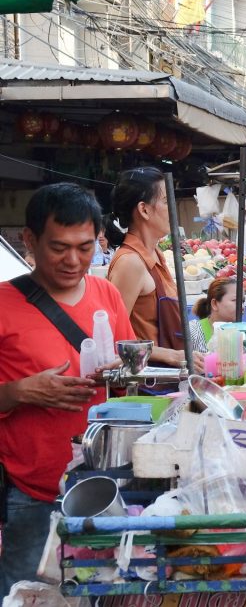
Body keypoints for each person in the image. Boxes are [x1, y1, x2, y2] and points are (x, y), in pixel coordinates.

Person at [0, 183, 134, 594]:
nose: (73, 260)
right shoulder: (4, 303)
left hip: (106, 485)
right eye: (59, 247)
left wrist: (121, 373)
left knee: (102, 593)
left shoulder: (106, 293)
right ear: (30, 240)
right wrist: (22, 391)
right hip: (30, 493)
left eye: (85, 246)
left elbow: (130, 380)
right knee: (25, 595)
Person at [105, 167, 199, 367]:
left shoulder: (155, 255)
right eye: (166, 202)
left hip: (169, 379)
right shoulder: (130, 263)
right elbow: (111, 338)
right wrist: (170, 355)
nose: (172, 208)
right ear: (144, 210)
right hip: (146, 385)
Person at [188, 277, 237, 353]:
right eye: (235, 300)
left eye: (243, 301)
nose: (242, 306)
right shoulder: (193, 331)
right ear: (214, 304)